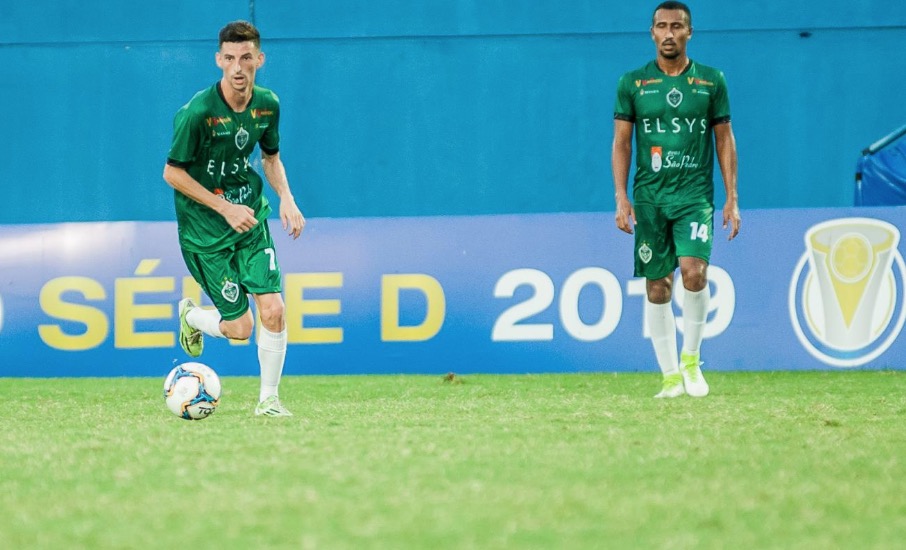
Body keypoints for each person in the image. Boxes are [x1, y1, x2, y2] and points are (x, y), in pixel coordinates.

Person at [163, 20, 305, 416]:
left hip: (250, 220)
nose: (238, 68)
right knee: (240, 329)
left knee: (273, 309)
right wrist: (224, 207)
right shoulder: (197, 113)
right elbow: (172, 173)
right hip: (206, 231)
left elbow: (270, 158)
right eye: (230, 59)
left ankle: (269, 401)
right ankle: (190, 315)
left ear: (260, 59)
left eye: (246, 58)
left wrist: (287, 199)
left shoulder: (267, 104)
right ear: (218, 60)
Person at [611, 1, 740, 398]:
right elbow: (622, 143)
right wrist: (621, 197)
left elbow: (724, 140)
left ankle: (691, 360)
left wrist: (732, 197)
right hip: (650, 198)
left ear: (689, 32)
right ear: (652, 33)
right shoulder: (633, 83)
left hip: (694, 195)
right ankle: (669, 376)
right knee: (657, 287)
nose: (669, 33)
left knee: (694, 273)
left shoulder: (711, 81)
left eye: (677, 26)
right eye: (661, 26)